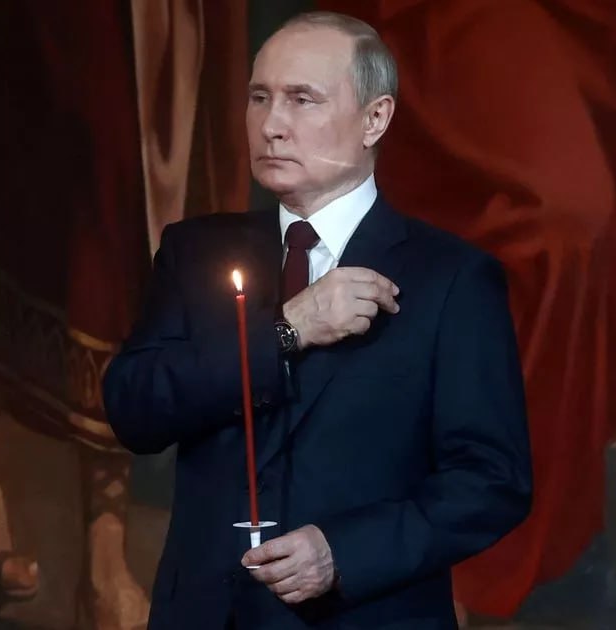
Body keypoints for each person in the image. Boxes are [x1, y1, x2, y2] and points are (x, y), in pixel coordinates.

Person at [102, 11, 533, 629]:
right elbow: (133, 410)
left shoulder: (453, 278)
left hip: (364, 614)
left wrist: (343, 553)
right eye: (259, 97)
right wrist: (288, 328)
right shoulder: (194, 251)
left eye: (302, 100)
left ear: (375, 119)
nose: (271, 125)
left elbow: (492, 481)